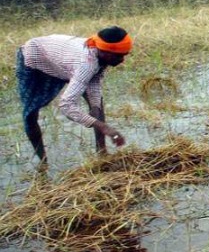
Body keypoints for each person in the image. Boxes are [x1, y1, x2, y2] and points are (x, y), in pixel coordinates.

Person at [16, 26, 132, 164]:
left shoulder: (99, 56)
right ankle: (43, 162)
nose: (122, 60)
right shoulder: (85, 64)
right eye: (118, 56)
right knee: (30, 113)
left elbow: (94, 84)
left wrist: (95, 108)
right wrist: (105, 127)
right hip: (34, 59)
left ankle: (102, 153)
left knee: (97, 105)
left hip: (63, 60)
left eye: (124, 55)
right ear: (103, 51)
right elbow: (66, 106)